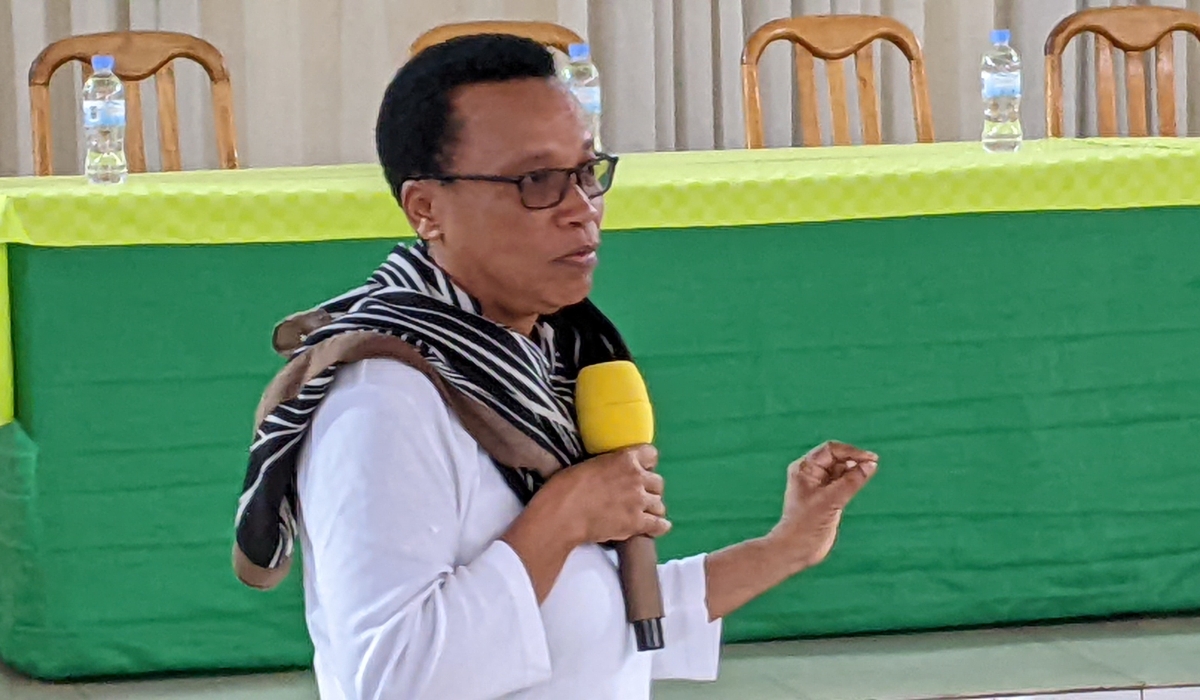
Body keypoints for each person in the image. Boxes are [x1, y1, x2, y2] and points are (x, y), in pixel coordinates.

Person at [232, 33, 878, 700]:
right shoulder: (385, 397)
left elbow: (590, 614)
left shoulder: (544, 353)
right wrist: (565, 514)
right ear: (426, 208)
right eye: (536, 181)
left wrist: (787, 546)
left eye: (587, 172)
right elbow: (394, 679)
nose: (581, 209)